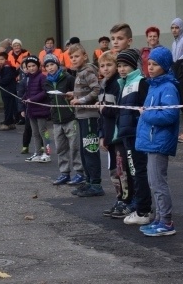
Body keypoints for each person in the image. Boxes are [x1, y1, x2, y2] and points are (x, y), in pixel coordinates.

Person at [135, 47, 180, 236]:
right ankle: (159, 218)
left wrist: (146, 115)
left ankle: (166, 221)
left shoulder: (168, 87)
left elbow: (170, 114)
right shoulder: (154, 86)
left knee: (158, 182)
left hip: (159, 141)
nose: (150, 68)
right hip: (152, 140)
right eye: (149, 64)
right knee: (153, 182)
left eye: (155, 64)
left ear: (165, 66)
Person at [114, 34, 152, 225]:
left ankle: (144, 210)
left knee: (139, 171)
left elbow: (144, 108)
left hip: (137, 134)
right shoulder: (124, 84)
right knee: (133, 172)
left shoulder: (140, 82)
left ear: (133, 66)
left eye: (125, 66)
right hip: (127, 134)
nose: (121, 69)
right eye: (119, 66)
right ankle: (140, 207)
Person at [97, 51, 133, 217]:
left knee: (121, 170)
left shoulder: (118, 85)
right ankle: (119, 199)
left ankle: (126, 201)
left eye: (109, 65)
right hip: (109, 134)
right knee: (113, 170)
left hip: (118, 135)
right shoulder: (103, 85)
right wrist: (101, 134)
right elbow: (101, 115)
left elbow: (118, 110)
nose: (106, 69)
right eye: (102, 66)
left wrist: (104, 109)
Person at [67, 44, 103, 196]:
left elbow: (97, 90)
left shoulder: (88, 71)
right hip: (81, 116)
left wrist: (81, 100)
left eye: (76, 56)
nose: (74, 59)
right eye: (71, 57)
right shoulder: (79, 72)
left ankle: (96, 184)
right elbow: (85, 89)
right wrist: (73, 94)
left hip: (89, 116)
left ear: (85, 56)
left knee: (90, 150)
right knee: (83, 151)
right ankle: (88, 182)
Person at [42, 53, 79, 185]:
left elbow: (78, 93)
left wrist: (72, 96)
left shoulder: (68, 78)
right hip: (56, 120)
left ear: (57, 64)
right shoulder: (46, 82)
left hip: (70, 117)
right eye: (47, 66)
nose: (50, 68)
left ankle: (79, 172)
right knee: (60, 148)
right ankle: (64, 173)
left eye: (52, 64)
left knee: (75, 147)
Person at [22, 56, 51, 163]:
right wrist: (24, 98)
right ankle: (38, 153)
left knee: (44, 132)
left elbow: (45, 92)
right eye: (29, 66)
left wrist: (32, 99)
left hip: (41, 109)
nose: (31, 68)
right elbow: (28, 91)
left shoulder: (42, 77)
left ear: (38, 66)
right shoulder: (28, 78)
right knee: (35, 133)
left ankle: (47, 153)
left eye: (33, 66)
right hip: (31, 110)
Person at [0, 53, 18, 130]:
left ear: (6, 60)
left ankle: (7, 122)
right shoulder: (1, 67)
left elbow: (7, 79)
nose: (0, 61)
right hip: (5, 90)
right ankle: (10, 121)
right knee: (8, 107)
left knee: (8, 107)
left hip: (8, 90)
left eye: (2, 59)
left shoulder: (8, 67)